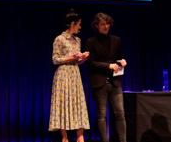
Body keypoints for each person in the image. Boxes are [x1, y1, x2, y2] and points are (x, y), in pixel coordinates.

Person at [85, 12, 128, 142]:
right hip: (99, 83)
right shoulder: (90, 42)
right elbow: (91, 63)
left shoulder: (116, 40)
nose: (106, 26)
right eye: (103, 24)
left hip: (115, 82)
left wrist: (123, 61)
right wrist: (109, 66)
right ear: (96, 26)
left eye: (108, 24)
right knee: (102, 115)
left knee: (120, 114)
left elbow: (120, 57)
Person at [49, 10, 91, 142]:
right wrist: (70, 57)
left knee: (77, 101)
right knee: (63, 102)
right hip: (63, 74)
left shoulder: (77, 40)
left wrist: (83, 58)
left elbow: (77, 61)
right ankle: (64, 137)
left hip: (75, 74)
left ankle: (80, 135)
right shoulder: (59, 39)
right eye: (78, 24)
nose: (80, 27)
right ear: (72, 23)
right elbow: (55, 59)